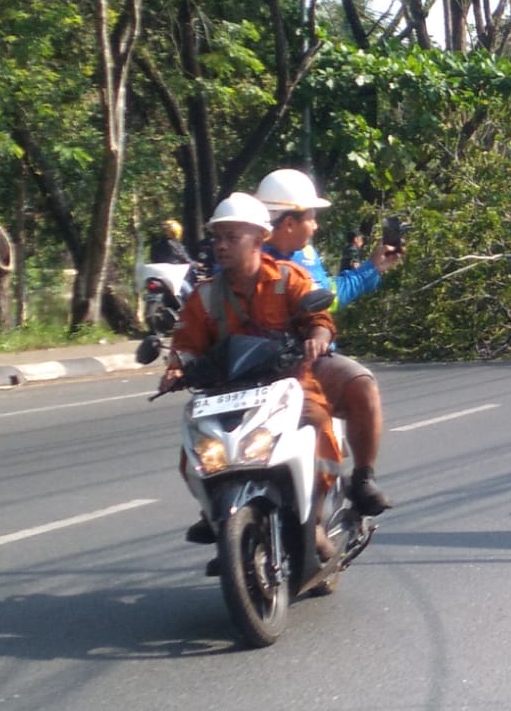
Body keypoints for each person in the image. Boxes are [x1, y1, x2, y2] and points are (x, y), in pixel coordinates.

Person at [162, 193, 342, 552]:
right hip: (224, 394)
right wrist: (176, 368)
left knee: (320, 424)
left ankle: (316, 519)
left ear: (260, 240)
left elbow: (320, 319)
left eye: (232, 237)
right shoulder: (206, 295)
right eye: (218, 237)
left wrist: (318, 338)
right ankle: (214, 510)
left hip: (287, 385)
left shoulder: (288, 279)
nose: (222, 246)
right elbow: (186, 343)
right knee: (192, 456)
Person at [255, 167, 401, 516]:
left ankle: (362, 478)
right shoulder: (245, 259)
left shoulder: (306, 257)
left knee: (362, 385)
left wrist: (372, 268)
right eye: (311, 217)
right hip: (251, 369)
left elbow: (328, 297)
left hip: (306, 359)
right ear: (287, 222)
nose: (316, 225)